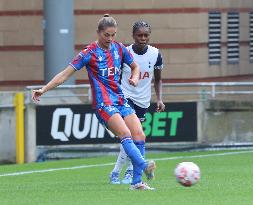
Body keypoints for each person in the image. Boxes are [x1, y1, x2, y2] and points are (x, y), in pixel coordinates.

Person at [32, 14, 156, 190]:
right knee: (125, 134)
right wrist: (43, 89)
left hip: (120, 100)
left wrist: (135, 78)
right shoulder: (88, 53)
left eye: (113, 35)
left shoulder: (119, 49)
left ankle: (136, 183)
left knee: (139, 135)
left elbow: (135, 66)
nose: (110, 39)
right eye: (107, 35)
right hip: (103, 104)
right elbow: (64, 75)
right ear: (98, 32)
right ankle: (144, 166)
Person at [109, 21, 165, 184]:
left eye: (146, 35)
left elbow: (158, 79)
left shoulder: (155, 54)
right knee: (130, 135)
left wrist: (159, 99)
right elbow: (115, 78)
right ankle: (127, 171)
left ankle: (120, 171)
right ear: (133, 36)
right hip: (125, 97)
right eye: (139, 35)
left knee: (131, 137)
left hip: (143, 100)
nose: (143, 38)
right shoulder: (124, 53)